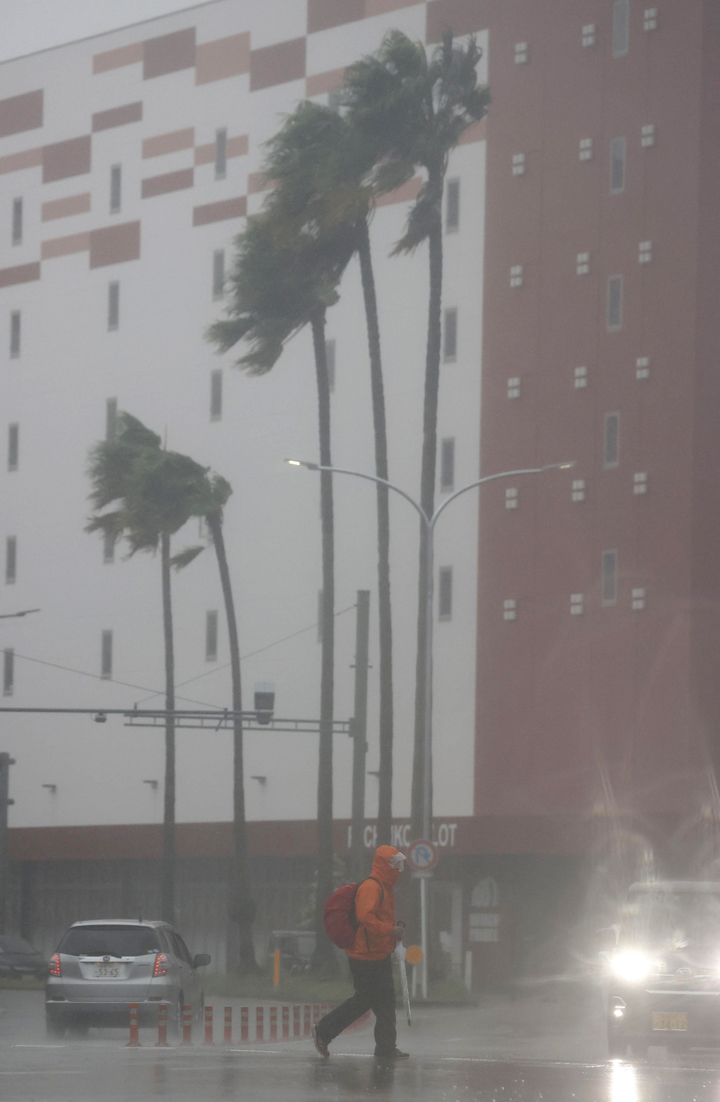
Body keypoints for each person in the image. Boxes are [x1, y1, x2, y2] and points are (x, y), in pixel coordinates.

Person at [313, 844, 409, 1061]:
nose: (398, 868)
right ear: (384, 865)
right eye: (394, 864)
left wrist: (392, 935)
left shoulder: (385, 887)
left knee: (386, 1003)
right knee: (363, 1001)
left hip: (379, 954)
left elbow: (380, 919)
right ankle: (323, 1031)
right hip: (364, 957)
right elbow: (366, 917)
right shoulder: (372, 887)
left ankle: (386, 1048)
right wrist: (390, 930)